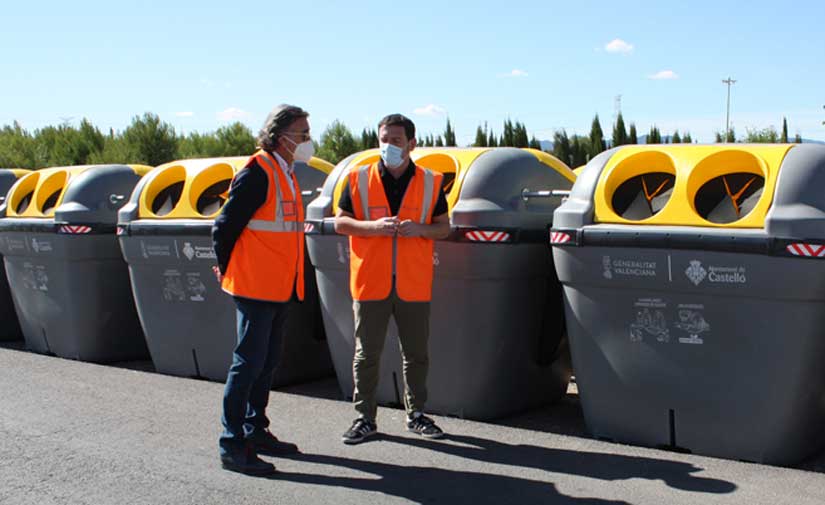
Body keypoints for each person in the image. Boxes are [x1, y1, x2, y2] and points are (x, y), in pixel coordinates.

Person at [334, 113, 450, 444]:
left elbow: (444, 227)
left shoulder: (430, 181)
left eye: (396, 141)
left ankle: (417, 415)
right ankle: (364, 418)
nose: (388, 146)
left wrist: (421, 230)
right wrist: (372, 227)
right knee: (366, 354)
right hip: (371, 281)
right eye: (384, 139)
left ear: (412, 144)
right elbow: (340, 223)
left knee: (416, 353)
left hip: (413, 282)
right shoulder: (357, 179)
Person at [212, 104, 312, 475]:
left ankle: (256, 429)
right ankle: (232, 442)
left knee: (266, 363)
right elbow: (224, 226)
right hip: (255, 285)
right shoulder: (258, 171)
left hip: (280, 286)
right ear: (280, 136)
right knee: (247, 363)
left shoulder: (285, 172)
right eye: (301, 133)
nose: (306, 141)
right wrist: (226, 269)